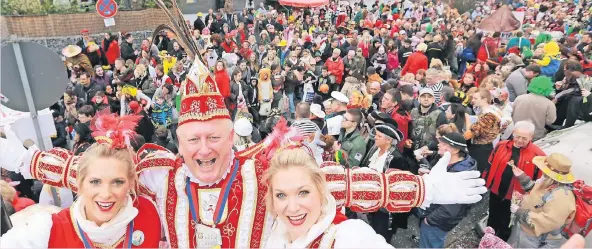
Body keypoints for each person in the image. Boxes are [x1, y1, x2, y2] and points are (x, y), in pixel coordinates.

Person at [0, 44, 487, 249]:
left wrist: (419, 188)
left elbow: (333, 183)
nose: (204, 148)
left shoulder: (262, 168)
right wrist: (23, 158)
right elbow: (91, 175)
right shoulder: (158, 172)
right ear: (179, 142)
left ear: (233, 137)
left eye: (215, 136)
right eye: (194, 139)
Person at [0, 115, 162, 248]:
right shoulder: (47, 231)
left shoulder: (150, 212)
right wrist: (26, 161)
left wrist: (33, 162)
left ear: (130, 182)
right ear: (79, 182)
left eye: (117, 182)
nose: (106, 194)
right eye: (95, 182)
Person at [263, 147, 394, 248]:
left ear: (320, 191)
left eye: (303, 192)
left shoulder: (348, 237)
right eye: (281, 195)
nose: (292, 208)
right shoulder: (272, 233)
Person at [483, 120, 545, 241]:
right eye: (517, 136)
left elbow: (539, 180)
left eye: (524, 138)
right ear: (513, 133)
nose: (520, 140)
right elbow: (490, 164)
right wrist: (485, 181)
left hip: (516, 197)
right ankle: (488, 238)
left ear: (531, 137)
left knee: (507, 221)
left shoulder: (538, 155)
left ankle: (501, 241)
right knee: (493, 215)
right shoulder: (501, 145)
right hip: (496, 190)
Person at [418, 133, 477, 248]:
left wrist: (429, 220)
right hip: (434, 217)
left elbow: (451, 209)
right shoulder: (452, 163)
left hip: (436, 223)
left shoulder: (460, 175)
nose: (438, 145)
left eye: (444, 144)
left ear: (455, 150)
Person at [508, 153, 577, 248]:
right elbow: (537, 195)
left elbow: (549, 222)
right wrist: (523, 178)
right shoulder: (548, 182)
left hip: (536, 240)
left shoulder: (562, 196)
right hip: (525, 231)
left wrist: (520, 212)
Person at [361, 122, 410, 241]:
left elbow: (399, 188)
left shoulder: (397, 159)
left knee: (381, 235)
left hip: (384, 208)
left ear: (388, 140)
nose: (375, 137)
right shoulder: (374, 148)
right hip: (369, 200)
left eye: (379, 136)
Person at [512, 76, 556, 140]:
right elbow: (550, 121)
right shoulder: (549, 104)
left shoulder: (519, 98)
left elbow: (511, 113)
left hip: (516, 133)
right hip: (534, 136)